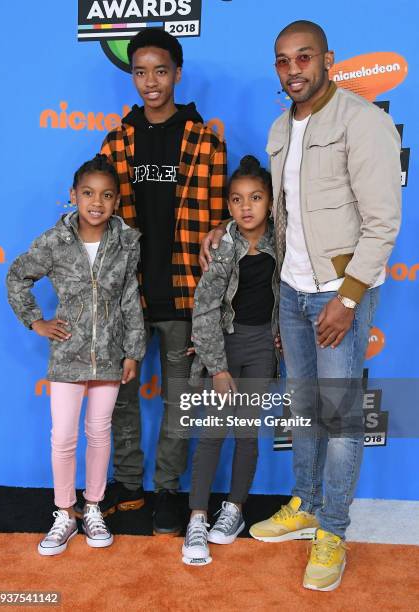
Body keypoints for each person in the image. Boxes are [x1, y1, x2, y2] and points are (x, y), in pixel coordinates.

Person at [200, 21, 401, 590]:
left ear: (327, 60)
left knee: (338, 419)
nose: (294, 70)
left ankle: (332, 529)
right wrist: (227, 226)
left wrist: (349, 296)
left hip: (338, 295)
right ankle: (308, 503)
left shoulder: (364, 123)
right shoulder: (279, 128)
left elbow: (383, 222)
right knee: (306, 409)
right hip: (291, 292)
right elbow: (278, 210)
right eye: (283, 61)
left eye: (304, 58)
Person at [100, 28, 227, 535]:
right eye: (139, 71)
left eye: (160, 70)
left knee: (180, 401)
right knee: (122, 399)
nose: (150, 82)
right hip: (127, 295)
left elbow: (223, 221)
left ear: (176, 73)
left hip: (184, 294)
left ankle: (168, 491)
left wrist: (219, 230)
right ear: (130, 76)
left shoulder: (204, 142)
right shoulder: (116, 141)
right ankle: (129, 486)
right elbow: (98, 218)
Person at [6, 155, 146, 556]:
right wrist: (37, 322)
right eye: (87, 193)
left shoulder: (125, 241)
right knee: (64, 436)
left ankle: (94, 506)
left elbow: (129, 302)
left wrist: (133, 351)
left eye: (105, 195)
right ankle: (65, 512)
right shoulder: (54, 240)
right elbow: (17, 277)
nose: (96, 202)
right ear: (73, 196)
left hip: (110, 355)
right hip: (67, 355)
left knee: (100, 432)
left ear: (117, 201)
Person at [182, 156, 278, 566]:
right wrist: (217, 367)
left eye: (256, 198)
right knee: (213, 433)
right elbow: (203, 309)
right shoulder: (223, 248)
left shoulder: (283, 239)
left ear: (272, 203)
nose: (247, 207)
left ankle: (234, 509)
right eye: (237, 200)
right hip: (226, 345)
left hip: (263, 348)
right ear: (228, 207)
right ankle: (198, 517)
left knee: (245, 434)